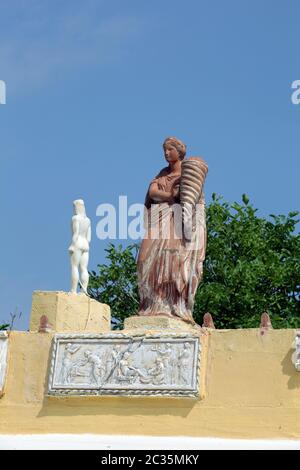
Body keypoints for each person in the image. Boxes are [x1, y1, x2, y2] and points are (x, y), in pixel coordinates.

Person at [137, 137, 208, 325]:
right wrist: (170, 195)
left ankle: (172, 305)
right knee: (144, 260)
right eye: (164, 150)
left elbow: (193, 201)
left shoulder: (189, 173)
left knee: (173, 263)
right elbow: (152, 192)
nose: (166, 153)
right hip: (159, 219)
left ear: (179, 152)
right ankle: (151, 304)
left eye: (170, 150)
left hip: (178, 224)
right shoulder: (163, 173)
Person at [69, 199, 91, 294]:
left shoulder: (76, 218)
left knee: (74, 266)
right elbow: (89, 237)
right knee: (84, 268)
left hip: (78, 243)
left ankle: (73, 290)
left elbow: (76, 233)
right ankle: (84, 289)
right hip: (85, 244)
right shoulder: (88, 220)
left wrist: (72, 246)